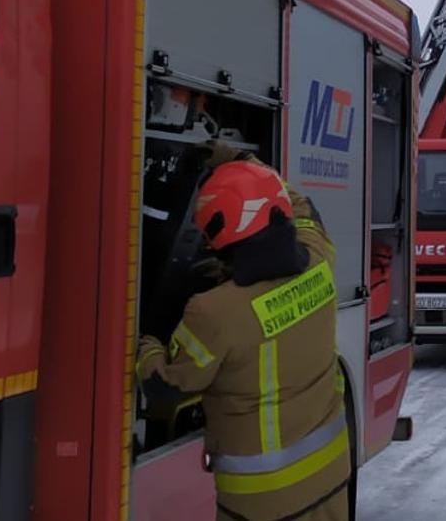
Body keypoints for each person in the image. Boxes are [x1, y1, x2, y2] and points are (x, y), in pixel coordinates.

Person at [137, 156, 351, 521]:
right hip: (330, 480)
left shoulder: (213, 311)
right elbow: (304, 209)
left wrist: (149, 342)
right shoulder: (319, 260)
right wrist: (246, 163)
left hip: (262, 504)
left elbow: (166, 386)